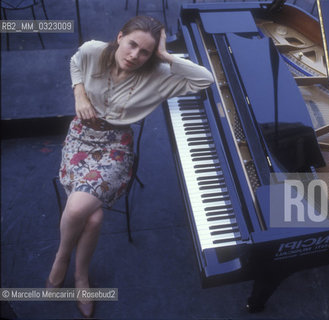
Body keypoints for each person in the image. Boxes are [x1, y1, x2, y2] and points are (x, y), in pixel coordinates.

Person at [46, 16, 214, 318]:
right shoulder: (95, 51)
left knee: (74, 211)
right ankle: (81, 276)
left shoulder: (159, 74)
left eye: (145, 52)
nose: (135, 55)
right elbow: (75, 60)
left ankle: (61, 257)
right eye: (132, 44)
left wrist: (165, 56)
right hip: (81, 137)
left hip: (116, 147)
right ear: (120, 36)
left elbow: (205, 79)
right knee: (93, 219)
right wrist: (79, 93)